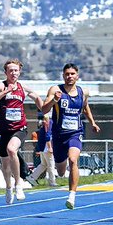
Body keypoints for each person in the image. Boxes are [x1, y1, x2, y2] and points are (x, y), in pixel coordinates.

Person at [42, 63, 101, 209]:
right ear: (63, 76)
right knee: (61, 171)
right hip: (59, 135)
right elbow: (44, 109)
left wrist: (93, 122)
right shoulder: (55, 90)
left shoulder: (83, 92)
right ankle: (62, 173)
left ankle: (72, 196)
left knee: (73, 160)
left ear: (77, 76)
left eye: (72, 74)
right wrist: (54, 100)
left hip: (75, 133)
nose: (70, 76)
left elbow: (85, 107)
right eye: (67, 74)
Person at [0, 59, 43, 204]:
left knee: (12, 150)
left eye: (16, 70)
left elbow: (36, 96)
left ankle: (18, 184)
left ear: (19, 72)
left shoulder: (23, 88)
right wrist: (5, 92)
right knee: (5, 164)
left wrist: (45, 110)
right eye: (10, 70)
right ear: (6, 72)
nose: (13, 73)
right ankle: (8, 186)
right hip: (3, 130)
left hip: (20, 128)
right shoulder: (0, 85)